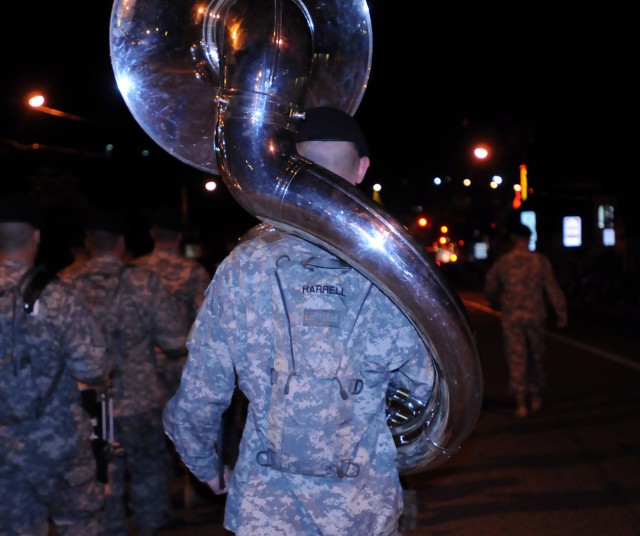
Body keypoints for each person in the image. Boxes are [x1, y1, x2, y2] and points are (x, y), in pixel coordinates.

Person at [163, 107, 434, 535]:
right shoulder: (396, 272)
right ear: (362, 169)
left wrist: (207, 468)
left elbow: (200, 391)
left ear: (293, 170)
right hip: (362, 509)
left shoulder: (243, 265)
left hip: (265, 510)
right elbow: (425, 395)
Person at [59, 209, 189, 536]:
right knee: (148, 478)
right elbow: (175, 341)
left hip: (87, 403)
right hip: (141, 401)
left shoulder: (65, 283)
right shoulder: (144, 282)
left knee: (102, 484)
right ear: (121, 242)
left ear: (89, 244)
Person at [0, 194, 110, 536]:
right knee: (78, 524)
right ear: (36, 236)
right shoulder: (56, 295)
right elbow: (93, 368)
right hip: (59, 442)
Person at [132, 207, 212, 508]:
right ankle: (193, 492)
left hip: (142, 368)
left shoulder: (136, 270)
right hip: (182, 365)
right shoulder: (193, 272)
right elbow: (205, 322)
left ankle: (156, 500)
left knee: (150, 437)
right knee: (187, 428)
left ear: (153, 234)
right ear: (179, 237)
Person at [484, 221, 568, 418]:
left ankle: (521, 401)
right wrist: (561, 313)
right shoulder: (540, 261)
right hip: (535, 315)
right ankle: (536, 394)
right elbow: (552, 288)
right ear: (529, 239)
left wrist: (496, 302)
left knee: (516, 356)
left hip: (512, 317)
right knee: (536, 355)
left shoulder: (504, 262)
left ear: (513, 239)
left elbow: (489, 286)